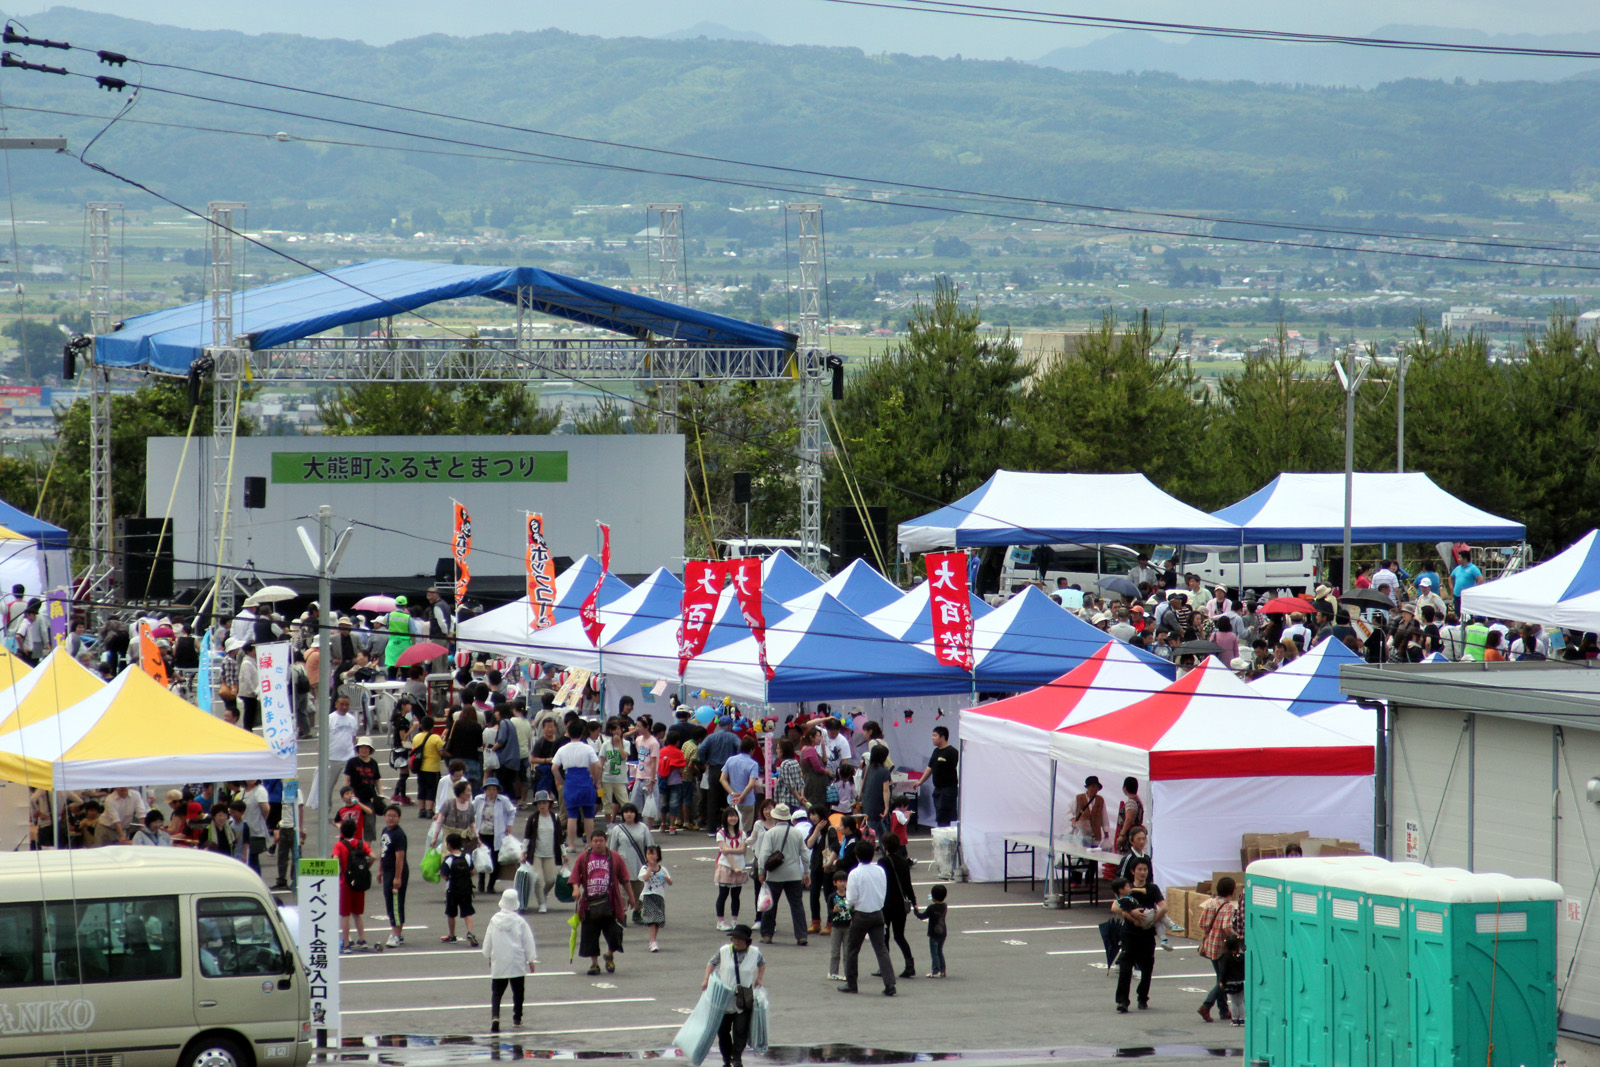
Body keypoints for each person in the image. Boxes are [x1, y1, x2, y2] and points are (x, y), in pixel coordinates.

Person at [701, 923, 765, 1067]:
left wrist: (759, 978)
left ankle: (736, 1057)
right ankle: (726, 1057)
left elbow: (762, 964)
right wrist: (706, 979)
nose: (735, 941)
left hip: (744, 996)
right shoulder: (724, 950)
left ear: (747, 941)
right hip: (725, 997)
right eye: (734, 938)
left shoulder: (755, 952)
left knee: (740, 1030)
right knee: (722, 1030)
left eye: (739, 939)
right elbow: (711, 963)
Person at [572, 827, 633, 975]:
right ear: (590, 842)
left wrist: (631, 896)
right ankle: (594, 964)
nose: (598, 844)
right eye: (595, 841)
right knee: (590, 935)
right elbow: (575, 877)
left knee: (615, 933)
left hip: (610, 903)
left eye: (601, 841)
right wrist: (576, 889)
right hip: (589, 904)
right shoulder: (584, 857)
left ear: (606, 842)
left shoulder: (614, 857)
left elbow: (625, 878)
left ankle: (610, 954)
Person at [839, 839, 896, 996]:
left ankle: (852, 983)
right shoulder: (880, 870)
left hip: (861, 914)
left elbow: (851, 899)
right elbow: (883, 890)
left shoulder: (855, 874)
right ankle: (890, 983)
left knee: (852, 950)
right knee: (881, 949)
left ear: (857, 856)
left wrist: (849, 908)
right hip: (878, 912)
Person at [1111, 858, 1165, 1013]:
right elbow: (1115, 905)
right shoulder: (1128, 888)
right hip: (1129, 933)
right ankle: (1122, 1001)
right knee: (1125, 967)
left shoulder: (1152, 888)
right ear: (1133, 871)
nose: (1143, 873)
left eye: (1145, 869)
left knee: (1147, 967)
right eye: (1140, 869)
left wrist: (1152, 921)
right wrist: (1130, 913)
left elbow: (1164, 907)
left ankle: (1142, 997)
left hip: (1147, 933)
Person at [481, 888, 539, 1032]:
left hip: (499, 959)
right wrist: (531, 959)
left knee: (497, 992)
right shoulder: (520, 921)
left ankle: (495, 1016)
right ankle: (517, 1018)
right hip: (516, 960)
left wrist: (488, 955)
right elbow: (528, 941)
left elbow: (488, 940)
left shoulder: (494, 920)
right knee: (518, 991)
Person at [753, 803, 809, 947]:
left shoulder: (770, 833)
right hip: (794, 874)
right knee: (797, 905)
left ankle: (767, 934)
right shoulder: (796, 832)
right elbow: (804, 854)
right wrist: (806, 871)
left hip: (775, 874)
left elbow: (764, 855)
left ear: (775, 817)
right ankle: (801, 935)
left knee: (770, 905)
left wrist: (761, 872)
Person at [1197, 876, 1243, 1023]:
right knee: (1223, 980)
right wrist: (1237, 936)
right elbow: (1226, 927)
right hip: (1222, 947)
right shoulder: (1228, 907)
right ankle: (1206, 1005)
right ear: (1232, 890)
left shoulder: (1210, 903)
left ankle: (1223, 1010)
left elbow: (1202, 924)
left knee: (1220, 976)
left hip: (1210, 945)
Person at [554, 719, 603, 844]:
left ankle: (571, 845)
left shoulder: (563, 749)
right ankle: (589, 845)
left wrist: (562, 782)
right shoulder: (587, 748)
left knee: (572, 815)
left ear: (568, 733)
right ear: (582, 733)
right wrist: (596, 781)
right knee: (588, 815)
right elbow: (598, 765)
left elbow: (554, 768)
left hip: (570, 782)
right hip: (586, 781)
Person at [608, 803, 655, 923]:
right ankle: (621, 914)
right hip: (623, 865)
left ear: (635, 814)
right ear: (622, 814)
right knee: (622, 892)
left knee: (640, 890)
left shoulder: (643, 828)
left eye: (631, 812)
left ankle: (637, 912)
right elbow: (612, 849)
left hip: (639, 865)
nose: (629, 814)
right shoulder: (617, 829)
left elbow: (650, 846)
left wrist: (651, 863)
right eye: (626, 812)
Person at [521, 790, 565, 913]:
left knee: (550, 880)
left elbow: (560, 838)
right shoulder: (533, 818)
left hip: (550, 853)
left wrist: (564, 854)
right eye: (539, 803)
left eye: (544, 802)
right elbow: (527, 837)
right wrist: (523, 852)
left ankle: (543, 894)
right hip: (536, 854)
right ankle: (542, 903)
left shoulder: (554, 818)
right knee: (537, 879)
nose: (542, 805)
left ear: (549, 804)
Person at [879, 835, 916, 979]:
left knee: (884, 936)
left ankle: (884, 967)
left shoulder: (883, 862)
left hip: (886, 903)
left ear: (885, 846)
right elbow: (908, 884)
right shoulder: (903, 862)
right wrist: (913, 901)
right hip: (901, 904)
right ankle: (909, 964)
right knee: (899, 935)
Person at [333, 817, 372, 953]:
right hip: (359, 881)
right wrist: (366, 867)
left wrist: (338, 871)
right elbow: (372, 856)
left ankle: (347, 943)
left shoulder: (340, 845)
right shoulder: (361, 844)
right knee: (357, 913)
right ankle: (362, 939)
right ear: (355, 830)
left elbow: (335, 859)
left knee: (345, 914)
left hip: (345, 882)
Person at [471, 781, 518, 894]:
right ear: (485, 790)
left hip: (497, 834)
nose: (491, 792)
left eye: (494, 789)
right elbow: (471, 811)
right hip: (481, 833)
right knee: (482, 858)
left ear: (497, 790)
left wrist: (509, 825)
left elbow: (512, 811)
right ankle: (481, 883)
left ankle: (491, 885)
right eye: (489, 789)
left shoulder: (503, 800)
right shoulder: (479, 799)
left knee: (495, 860)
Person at [439, 831, 479, 945]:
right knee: (467, 912)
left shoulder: (448, 860)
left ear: (449, 845)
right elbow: (473, 871)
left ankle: (452, 935)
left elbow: (444, 875)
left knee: (451, 913)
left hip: (452, 889)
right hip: (466, 888)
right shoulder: (467, 856)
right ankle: (470, 932)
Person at [379, 804, 409, 949]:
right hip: (387, 871)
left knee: (396, 903)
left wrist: (398, 877)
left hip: (397, 872)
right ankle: (397, 932)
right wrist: (380, 870)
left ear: (399, 818)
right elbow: (382, 851)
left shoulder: (399, 835)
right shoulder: (385, 831)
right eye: (388, 815)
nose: (390, 818)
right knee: (389, 902)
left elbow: (400, 857)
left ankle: (396, 934)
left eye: (394, 816)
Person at [714, 805, 750, 931]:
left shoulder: (741, 833)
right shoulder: (721, 833)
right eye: (730, 816)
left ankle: (734, 920)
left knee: (736, 895)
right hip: (726, 866)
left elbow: (742, 850)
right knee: (723, 894)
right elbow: (725, 852)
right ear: (726, 818)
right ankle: (720, 921)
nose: (733, 818)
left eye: (734, 816)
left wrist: (729, 850)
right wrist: (734, 865)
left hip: (740, 866)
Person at [918, 726, 959, 828]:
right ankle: (941, 833)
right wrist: (920, 782)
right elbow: (930, 768)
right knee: (940, 814)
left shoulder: (952, 752)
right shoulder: (936, 751)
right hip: (938, 789)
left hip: (948, 789)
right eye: (933, 735)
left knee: (946, 813)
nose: (933, 738)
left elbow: (957, 769)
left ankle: (948, 835)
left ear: (942, 737)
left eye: (935, 735)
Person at [720, 736, 762, 832]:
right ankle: (743, 846)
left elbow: (722, 779)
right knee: (745, 830)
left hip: (732, 800)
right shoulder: (753, 764)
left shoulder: (730, 760)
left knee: (732, 828)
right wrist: (741, 797)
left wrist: (733, 793)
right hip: (747, 801)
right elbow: (751, 784)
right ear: (751, 749)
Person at [639, 844, 672, 952]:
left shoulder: (662, 869)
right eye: (649, 854)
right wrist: (649, 868)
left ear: (658, 855)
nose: (651, 856)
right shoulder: (644, 868)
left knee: (658, 919)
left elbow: (670, 882)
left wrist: (666, 878)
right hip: (648, 895)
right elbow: (645, 878)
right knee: (652, 918)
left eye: (653, 854)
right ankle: (653, 941)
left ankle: (653, 940)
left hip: (659, 895)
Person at [597, 718, 632, 822]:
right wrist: (599, 779)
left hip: (620, 779)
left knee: (625, 802)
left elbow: (624, 756)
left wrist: (619, 745)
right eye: (615, 729)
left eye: (619, 729)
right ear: (611, 731)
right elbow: (601, 762)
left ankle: (627, 822)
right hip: (606, 778)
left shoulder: (626, 743)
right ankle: (609, 824)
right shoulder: (605, 744)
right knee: (606, 803)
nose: (617, 731)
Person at [914, 883, 949, 978]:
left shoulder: (932, 908)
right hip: (943, 932)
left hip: (934, 933)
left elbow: (922, 916)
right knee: (939, 951)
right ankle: (942, 970)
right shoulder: (944, 906)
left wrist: (916, 911)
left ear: (933, 897)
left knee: (934, 953)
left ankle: (935, 971)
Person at [860, 744, 892, 843]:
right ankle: (861, 853)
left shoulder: (866, 769)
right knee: (868, 834)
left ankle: (887, 853)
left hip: (866, 803)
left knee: (882, 832)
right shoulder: (884, 771)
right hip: (877, 805)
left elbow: (862, 787)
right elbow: (885, 790)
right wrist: (887, 807)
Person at [825, 869, 853, 981]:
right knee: (835, 952)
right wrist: (834, 910)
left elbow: (854, 909)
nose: (842, 883)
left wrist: (853, 917)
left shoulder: (850, 896)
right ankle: (833, 972)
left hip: (848, 926)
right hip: (836, 926)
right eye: (839, 881)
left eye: (844, 881)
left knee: (847, 952)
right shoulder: (832, 897)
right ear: (835, 883)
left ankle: (848, 973)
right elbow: (829, 913)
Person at [1072, 775, 1107, 848]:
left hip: (1095, 834)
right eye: (1092, 786)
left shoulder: (1100, 800)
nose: (1095, 789)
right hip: (1081, 835)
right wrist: (1073, 820)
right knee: (1081, 854)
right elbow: (1069, 811)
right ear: (1087, 787)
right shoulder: (1078, 798)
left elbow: (1104, 816)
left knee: (1093, 856)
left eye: (1096, 787)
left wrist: (1106, 831)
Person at [1220, 936, 1246, 1027]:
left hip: (1231, 982)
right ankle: (1242, 1019)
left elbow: (1224, 971)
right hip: (1242, 981)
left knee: (1234, 1001)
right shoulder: (1242, 956)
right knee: (1241, 1001)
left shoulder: (1226, 957)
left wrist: (1222, 981)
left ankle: (1235, 1019)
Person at [1115, 778, 1144, 853]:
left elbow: (1128, 820)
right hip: (1135, 835)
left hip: (1129, 838)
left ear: (1125, 788)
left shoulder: (1131, 802)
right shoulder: (1138, 801)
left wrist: (1121, 835)